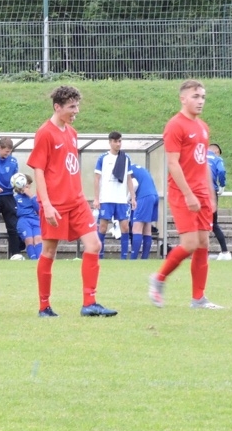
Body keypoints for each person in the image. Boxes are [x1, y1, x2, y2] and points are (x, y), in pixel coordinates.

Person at [27, 85, 117, 318]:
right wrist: (46, 204)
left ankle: (90, 303)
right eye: (71, 107)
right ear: (57, 107)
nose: (76, 111)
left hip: (77, 202)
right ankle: (44, 307)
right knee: (49, 252)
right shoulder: (45, 133)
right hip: (55, 205)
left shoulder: (72, 132)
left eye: (77, 106)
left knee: (94, 245)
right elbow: (38, 170)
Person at [147, 79, 222, 310]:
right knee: (189, 243)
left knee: (203, 243)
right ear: (183, 99)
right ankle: (158, 278)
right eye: (195, 96)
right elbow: (173, 164)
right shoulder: (175, 125)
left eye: (203, 97)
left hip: (201, 192)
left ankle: (198, 298)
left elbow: (203, 163)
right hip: (182, 193)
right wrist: (189, 194)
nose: (200, 101)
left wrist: (210, 193)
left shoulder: (203, 127)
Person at [93, 131, 134, 259]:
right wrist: (96, 198)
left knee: (125, 227)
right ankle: (100, 256)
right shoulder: (103, 158)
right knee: (103, 227)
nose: (118, 144)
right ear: (110, 142)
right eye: (115, 141)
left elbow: (129, 178)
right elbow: (96, 179)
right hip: (106, 198)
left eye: (120, 141)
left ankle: (124, 258)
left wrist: (133, 197)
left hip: (121, 199)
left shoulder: (126, 158)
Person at [0, 136, 21, 259]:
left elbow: (16, 178)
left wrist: (18, 186)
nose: (8, 154)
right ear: (0, 148)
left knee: (12, 227)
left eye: (9, 152)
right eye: (6, 151)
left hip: (8, 197)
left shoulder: (13, 161)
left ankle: (15, 255)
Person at [128, 161, 159, 260]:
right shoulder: (138, 167)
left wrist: (128, 199)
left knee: (136, 228)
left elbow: (134, 184)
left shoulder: (127, 169)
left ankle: (133, 259)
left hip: (144, 196)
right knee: (147, 229)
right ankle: (144, 259)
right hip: (154, 195)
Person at [207, 143, 231, 260]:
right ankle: (225, 252)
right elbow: (221, 171)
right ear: (216, 152)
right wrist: (222, 185)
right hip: (210, 193)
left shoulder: (198, 157)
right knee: (213, 224)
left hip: (196, 192)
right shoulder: (217, 159)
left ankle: (201, 254)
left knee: (198, 224)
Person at [13, 173, 42, 260]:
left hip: (35, 220)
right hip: (24, 221)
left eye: (29, 184)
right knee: (29, 240)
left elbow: (39, 209)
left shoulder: (33, 197)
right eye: (26, 183)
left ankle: (39, 260)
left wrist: (31, 196)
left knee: (38, 239)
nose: (27, 186)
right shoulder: (15, 198)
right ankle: (33, 260)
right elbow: (16, 212)